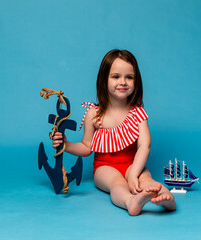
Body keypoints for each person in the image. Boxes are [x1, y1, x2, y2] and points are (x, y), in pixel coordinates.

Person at [52, 49, 176, 216]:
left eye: (129, 77)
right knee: (117, 183)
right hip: (104, 167)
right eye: (116, 76)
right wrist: (66, 145)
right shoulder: (94, 114)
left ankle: (166, 197)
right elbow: (86, 147)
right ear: (104, 81)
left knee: (147, 179)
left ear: (136, 82)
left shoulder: (138, 113)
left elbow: (145, 145)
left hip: (133, 164)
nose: (123, 82)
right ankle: (130, 202)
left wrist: (134, 172)